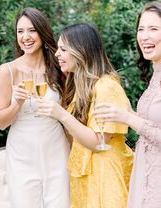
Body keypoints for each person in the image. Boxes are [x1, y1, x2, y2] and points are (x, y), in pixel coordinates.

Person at [37, 23, 134, 208]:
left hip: (106, 176)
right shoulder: (81, 87)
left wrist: (62, 115)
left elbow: (99, 142)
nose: (57, 54)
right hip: (87, 176)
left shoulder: (107, 87)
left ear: (81, 51)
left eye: (63, 49)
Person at [0, 7, 70, 208]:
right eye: (20, 31)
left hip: (56, 149)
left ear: (42, 33)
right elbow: (1, 123)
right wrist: (16, 104)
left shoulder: (59, 67)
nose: (25, 37)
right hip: (22, 154)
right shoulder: (7, 71)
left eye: (31, 30)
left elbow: (70, 112)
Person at [94, 1, 161, 207]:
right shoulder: (154, 76)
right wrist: (124, 110)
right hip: (144, 177)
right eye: (141, 29)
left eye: (153, 29)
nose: (144, 36)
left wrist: (127, 118)